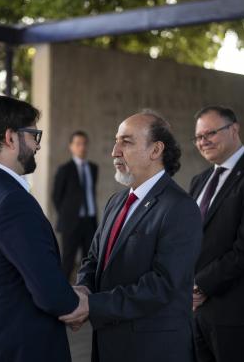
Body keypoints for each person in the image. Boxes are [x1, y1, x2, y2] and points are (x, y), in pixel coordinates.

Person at [0, 95, 85, 362]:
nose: (37, 145)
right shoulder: (11, 201)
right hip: (14, 348)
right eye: (34, 134)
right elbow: (51, 295)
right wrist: (78, 303)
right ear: (11, 138)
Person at [60, 111, 202, 362]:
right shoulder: (117, 201)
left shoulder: (180, 207)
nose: (115, 151)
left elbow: (162, 285)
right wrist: (84, 289)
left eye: (126, 142)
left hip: (153, 349)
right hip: (109, 344)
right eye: (116, 141)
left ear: (156, 150)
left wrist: (92, 306)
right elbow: (94, 258)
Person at [190, 106, 244, 362]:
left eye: (210, 133)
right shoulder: (199, 180)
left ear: (234, 129)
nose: (203, 141)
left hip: (234, 310)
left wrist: (200, 285)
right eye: (198, 137)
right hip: (194, 310)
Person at [52, 131, 98, 280]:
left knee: (90, 260)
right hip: (71, 222)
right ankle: (62, 295)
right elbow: (56, 197)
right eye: (78, 144)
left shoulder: (93, 168)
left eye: (84, 143)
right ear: (71, 147)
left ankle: (86, 292)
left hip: (90, 221)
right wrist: (67, 215)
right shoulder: (64, 169)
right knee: (68, 260)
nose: (82, 147)